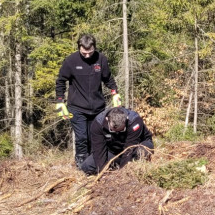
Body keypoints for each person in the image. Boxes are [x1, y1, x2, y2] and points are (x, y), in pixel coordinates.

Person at [55, 34, 122, 168]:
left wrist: (115, 92)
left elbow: (108, 78)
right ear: (79, 48)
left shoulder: (101, 59)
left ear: (94, 48)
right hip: (76, 107)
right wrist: (60, 101)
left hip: (97, 108)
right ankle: (81, 165)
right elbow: (61, 81)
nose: (87, 56)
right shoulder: (71, 61)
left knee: (95, 137)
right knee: (81, 138)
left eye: (90, 52)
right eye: (84, 53)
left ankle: (94, 165)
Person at [80, 106, 154, 175]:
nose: (117, 133)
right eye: (113, 130)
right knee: (87, 166)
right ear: (107, 119)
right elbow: (99, 152)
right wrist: (102, 172)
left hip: (135, 148)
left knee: (143, 151)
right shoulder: (98, 124)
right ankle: (114, 167)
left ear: (126, 120)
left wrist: (122, 173)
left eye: (121, 130)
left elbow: (129, 149)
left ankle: (133, 170)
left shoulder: (134, 122)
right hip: (114, 151)